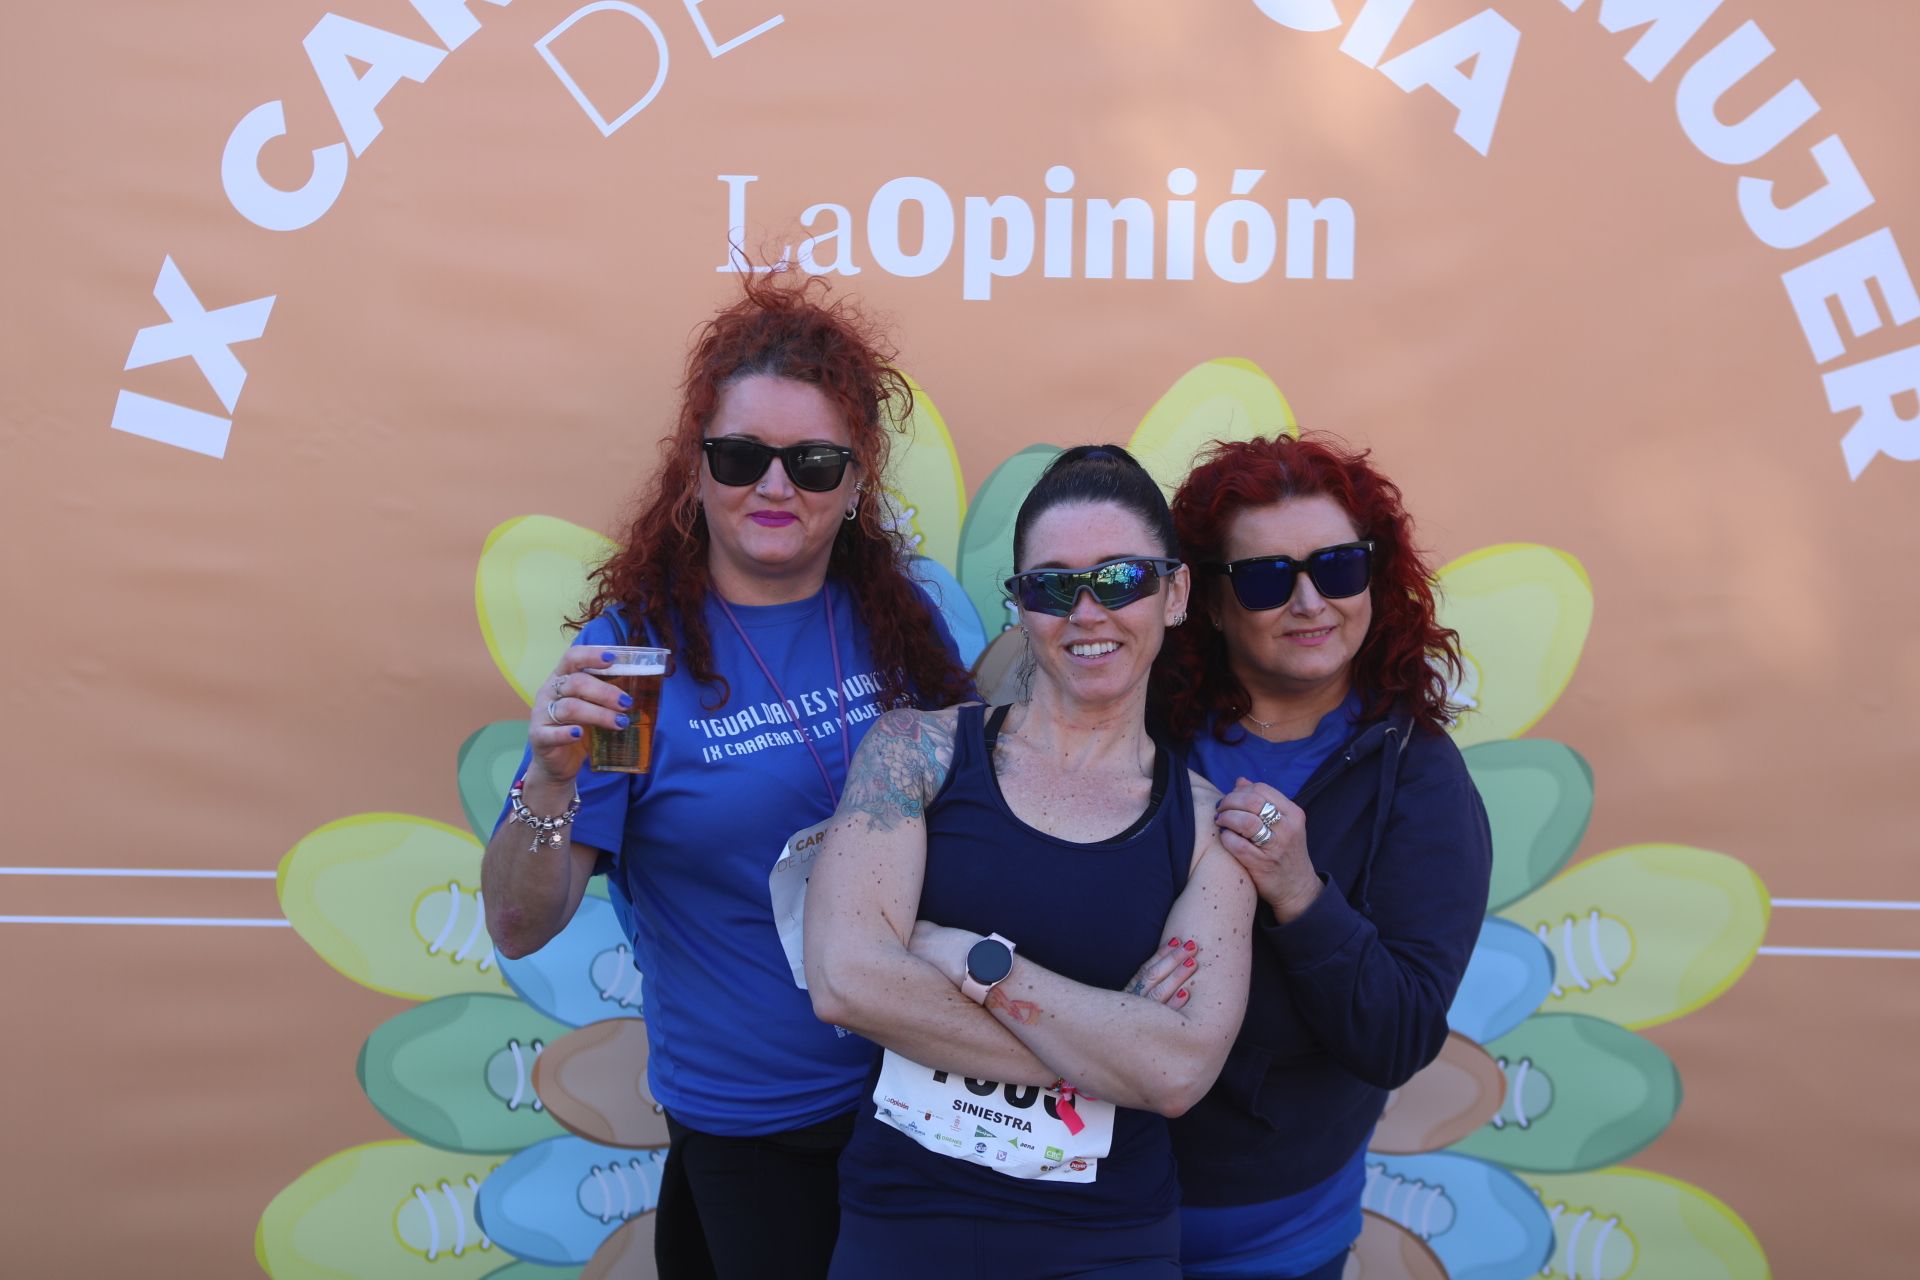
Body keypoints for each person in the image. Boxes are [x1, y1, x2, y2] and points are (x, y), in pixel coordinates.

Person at [480, 275, 974, 1280]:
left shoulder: (897, 622)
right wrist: (547, 782)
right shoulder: (635, 667)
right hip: (761, 1134)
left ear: (854, 481)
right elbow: (523, 921)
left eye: (815, 460)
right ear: (696, 470)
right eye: (743, 456)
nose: (776, 487)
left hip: (920, 1098)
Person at [804, 446, 1257, 1279]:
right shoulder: (915, 754)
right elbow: (843, 980)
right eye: (1052, 586)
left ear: (1177, 594)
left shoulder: (1207, 833)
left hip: (1106, 1246)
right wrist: (1107, 1046)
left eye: (1121, 580)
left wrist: (969, 964)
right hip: (904, 1227)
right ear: (1019, 606)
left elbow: (1180, 1070)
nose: (1087, 611)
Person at [1153, 433, 1494, 1280]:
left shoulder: (1418, 777)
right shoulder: (1138, 732)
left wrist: (1302, 894)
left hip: (1274, 1237)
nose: (1310, 601)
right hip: (1083, 1209)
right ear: (1211, 602)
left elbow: (1400, 1034)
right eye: (1268, 578)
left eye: (1337, 567)